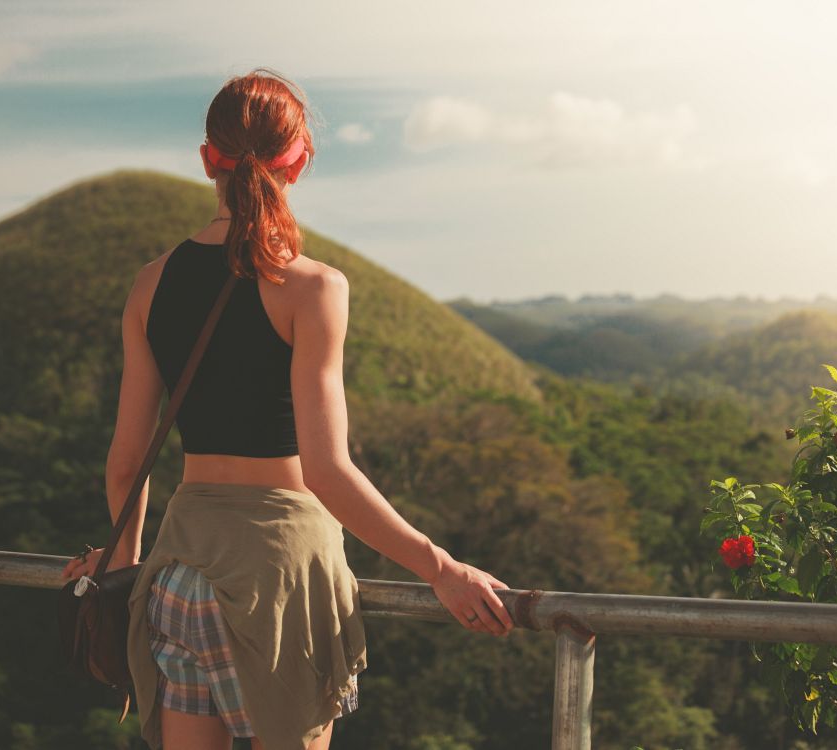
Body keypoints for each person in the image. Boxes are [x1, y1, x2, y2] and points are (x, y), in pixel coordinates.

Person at [59, 68, 515, 750]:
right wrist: (440, 569)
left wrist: (122, 568)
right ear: (298, 161)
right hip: (278, 580)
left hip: (179, 574)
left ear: (207, 158)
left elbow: (127, 465)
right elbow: (328, 473)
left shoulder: (151, 283)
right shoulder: (311, 288)